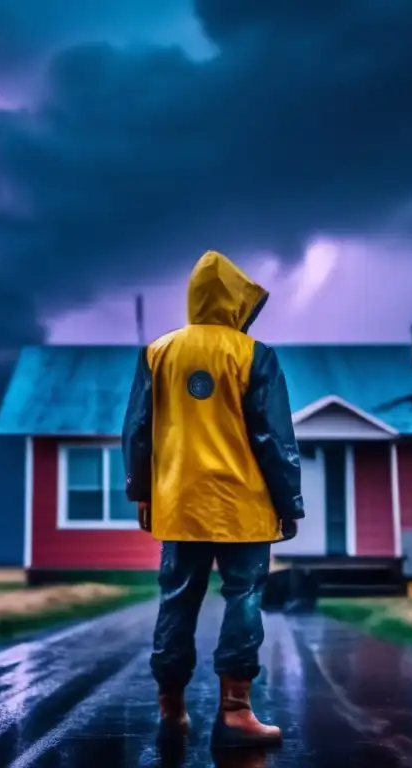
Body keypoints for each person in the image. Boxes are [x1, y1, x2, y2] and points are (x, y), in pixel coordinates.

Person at [121, 250, 304, 750]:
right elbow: (273, 437)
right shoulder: (253, 354)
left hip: (179, 503)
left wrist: (141, 492)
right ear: (235, 301)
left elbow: (138, 430)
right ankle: (236, 712)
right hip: (244, 505)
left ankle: (171, 711)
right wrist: (290, 504)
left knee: (177, 600)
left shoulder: (157, 352)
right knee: (243, 598)